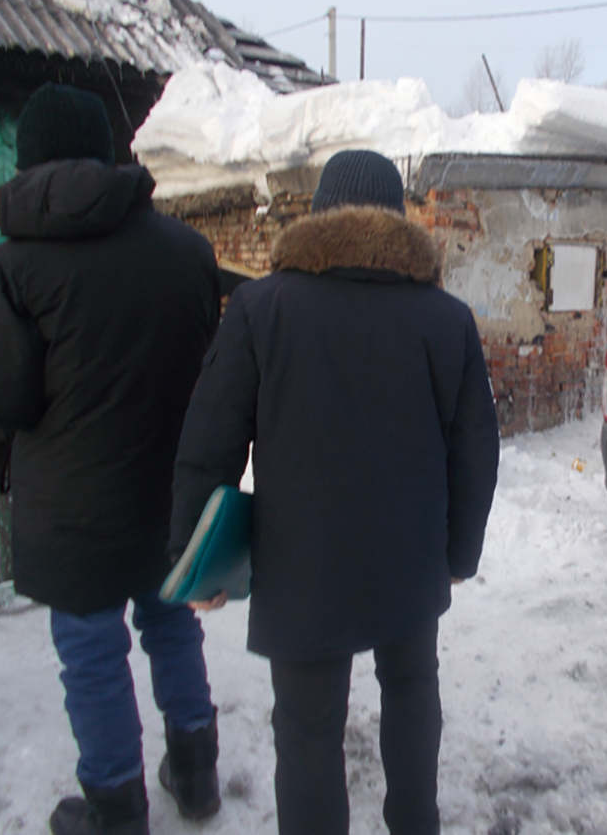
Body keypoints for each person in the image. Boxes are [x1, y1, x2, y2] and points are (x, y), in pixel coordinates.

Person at [170, 149, 500, 834]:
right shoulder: (445, 318)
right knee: (412, 693)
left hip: (302, 560)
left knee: (306, 726)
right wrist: (459, 553)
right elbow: (475, 450)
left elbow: (209, 439)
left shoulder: (262, 306)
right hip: (410, 556)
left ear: (320, 214)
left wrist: (191, 555)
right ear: (397, 220)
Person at [0, 84, 222, 835]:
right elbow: (200, 359)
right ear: (109, 152)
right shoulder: (188, 250)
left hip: (74, 505)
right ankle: (196, 777)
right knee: (170, 625)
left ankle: (114, 804)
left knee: (92, 648)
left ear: (29, 160)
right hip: (167, 485)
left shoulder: (18, 266)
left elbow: (2, 397)